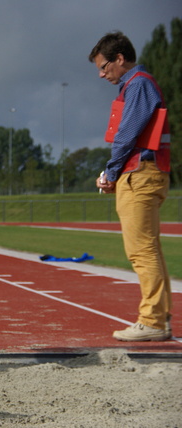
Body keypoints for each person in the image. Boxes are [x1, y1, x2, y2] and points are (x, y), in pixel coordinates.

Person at [90, 31, 172, 341]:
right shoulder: (139, 84)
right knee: (149, 249)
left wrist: (111, 172)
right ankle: (159, 319)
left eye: (104, 66)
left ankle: (151, 320)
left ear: (120, 59)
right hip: (145, 172)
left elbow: (128, 134)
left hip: (140, 174)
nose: (101, 74)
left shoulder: (137, 84)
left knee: (142, 251)